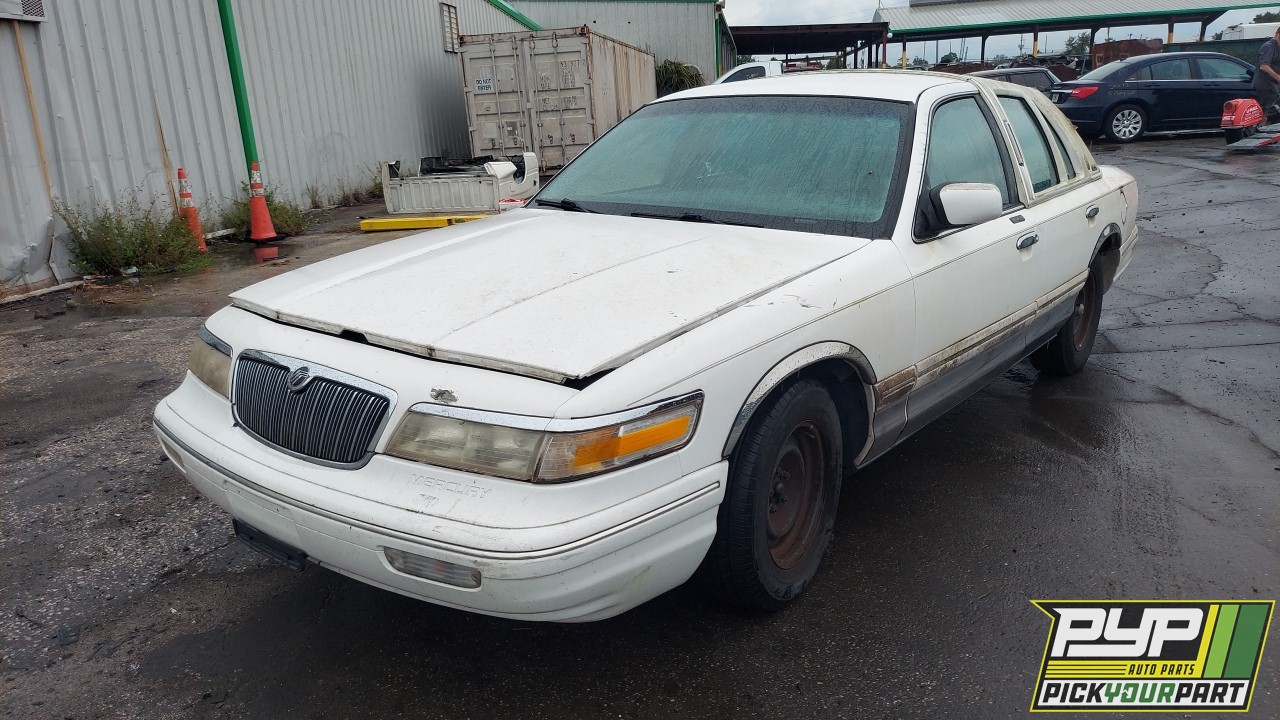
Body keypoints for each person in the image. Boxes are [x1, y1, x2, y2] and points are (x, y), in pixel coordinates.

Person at [1255, 26, 1280, 122]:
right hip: (1266, 85)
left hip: (1273, 85)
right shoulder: (1269, 46)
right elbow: (1264, 66)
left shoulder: (1277, 47)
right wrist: (1278, 77)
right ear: (1277, 33)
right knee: (1271, 112)